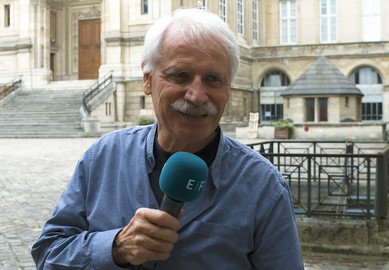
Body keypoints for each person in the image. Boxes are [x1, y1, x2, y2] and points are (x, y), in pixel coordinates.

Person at [32, 8, 304, 269]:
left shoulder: (263, 186)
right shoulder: (102, 158)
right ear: (147, 80)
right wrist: (115, 248)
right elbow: (48, 254)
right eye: (180, 75)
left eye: (213, 79)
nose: (197, 96)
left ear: (228, 89)